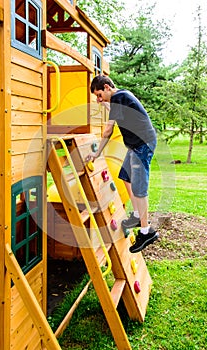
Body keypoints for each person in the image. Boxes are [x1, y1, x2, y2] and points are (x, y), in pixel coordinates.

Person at [86, 75, 159, 253]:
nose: (98, 100)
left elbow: (108, 130)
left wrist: (96, 153)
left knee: (139, 189)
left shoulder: (119, 98)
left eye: (99, 95)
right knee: (126, 176)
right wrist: (105, 104)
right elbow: (117, 111)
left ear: (106, 87)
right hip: (137, 145)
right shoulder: (121, 97)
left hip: (142, 145)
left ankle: (146, 231)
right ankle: (136, 215)